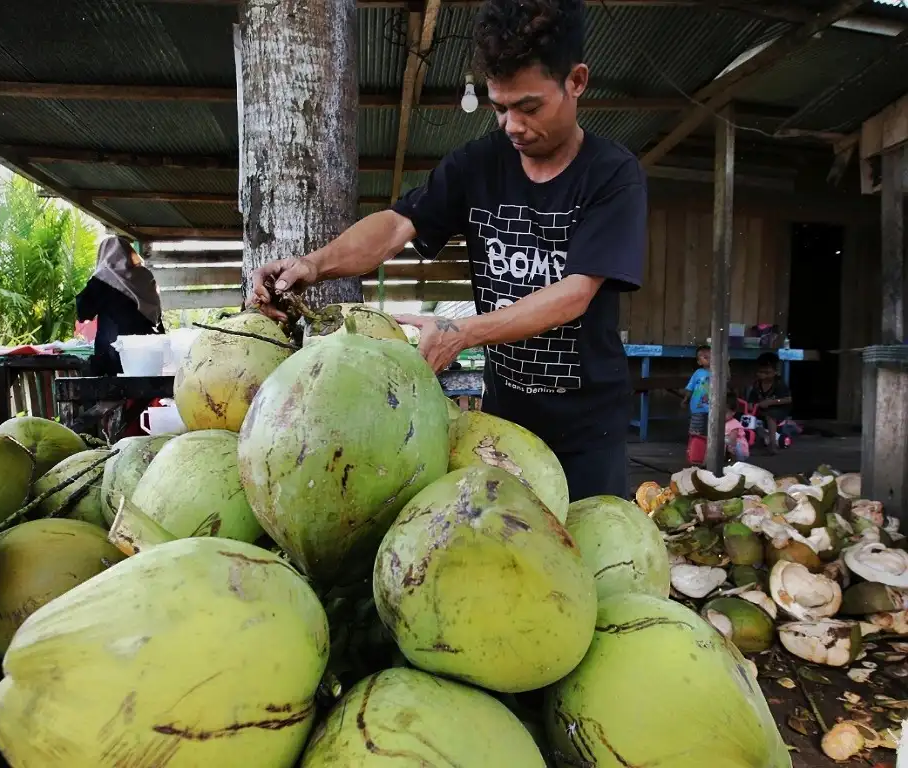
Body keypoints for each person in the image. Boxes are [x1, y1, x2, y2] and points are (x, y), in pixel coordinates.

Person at [249, 0, 646, 500]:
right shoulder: (479, 164)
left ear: (577, 81)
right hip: (504, 422)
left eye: (529, 107)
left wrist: (462, 333)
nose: (512, 126)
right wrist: (314, 264)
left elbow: (574, 294)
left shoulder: (612, 174)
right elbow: (396, 225)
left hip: (590, 431)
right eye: (500, 107)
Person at [76, 234, 164, 376]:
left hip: (115, 355)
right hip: (148, 353)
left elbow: (83, 312)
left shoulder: (103, 279)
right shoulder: (145, 276)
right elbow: (157, 315)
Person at [745, 352, 793, 453]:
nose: (763, 375)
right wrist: (750, 404)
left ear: (775, 372)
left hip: (778, 409)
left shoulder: (779, 384)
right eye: (760, 372)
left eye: (767, 373)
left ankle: (772, 444)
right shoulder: (757, 384)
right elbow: (752, 397)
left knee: (771, 415)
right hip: (760, 409)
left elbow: (788, 399)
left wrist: (771, 402)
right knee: (745, 416)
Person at [681, 345, 711, 440]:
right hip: (698, 407)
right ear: (699, 362)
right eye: (704, 356)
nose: (707, 356)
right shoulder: (698, 373)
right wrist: (686, 399)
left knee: (711, 431)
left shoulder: (719, 372)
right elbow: (690, 387)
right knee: (695, 431)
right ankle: (693, 448)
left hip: (713, 408)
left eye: (710, 355)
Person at [724, 393, 750, 463]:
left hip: (740, 451)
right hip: (730, 448)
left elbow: (732, 441)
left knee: (731, 444)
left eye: (725, 412)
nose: (722, 415)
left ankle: (736, 463)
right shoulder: (721, 423)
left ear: (733, 412)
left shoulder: (734, 424)